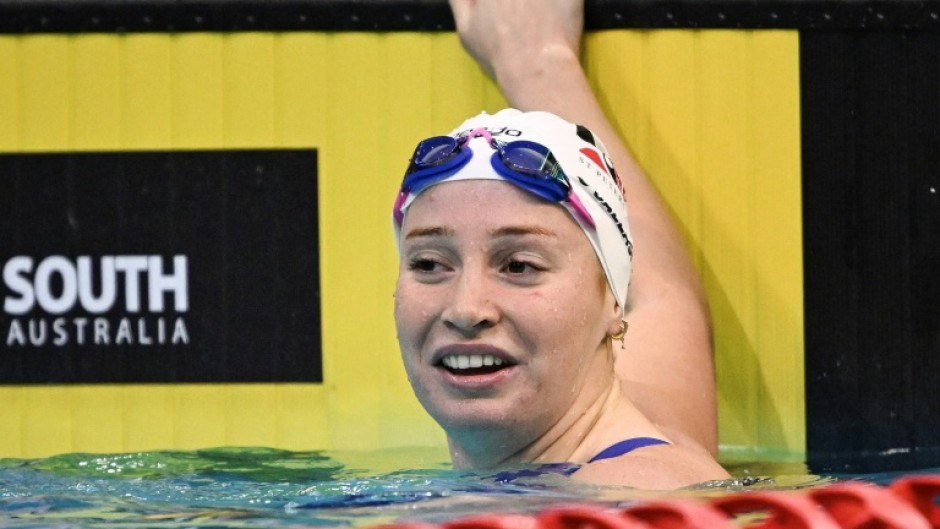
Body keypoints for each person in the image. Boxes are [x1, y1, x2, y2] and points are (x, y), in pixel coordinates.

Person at [391, 0, 729, 489]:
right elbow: (664, 295)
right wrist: (536, 61)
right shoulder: (656, 430)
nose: (466, 309)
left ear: (612, 299)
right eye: (428, 263)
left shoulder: (630, 499)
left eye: (520, 266)